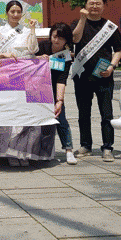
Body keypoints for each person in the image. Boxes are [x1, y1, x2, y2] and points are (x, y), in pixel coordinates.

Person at [0, 0, 54, 166]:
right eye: (12, 11)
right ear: (7, 13)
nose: (15, 14)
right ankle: (9, 152)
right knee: (10, 114)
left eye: (18, 11)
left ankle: (23, 151)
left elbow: (33, 50)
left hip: (26, 77)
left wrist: (33, 30)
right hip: (6, 77)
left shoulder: (26, 30)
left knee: (24, 114)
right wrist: (1, 55)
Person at [71, 0, 121, 162]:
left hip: (104, 77)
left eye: (98, 3)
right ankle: (85, 146)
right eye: (91, 3)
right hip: (82, 77)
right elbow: (75, 39)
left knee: (107, 114)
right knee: (83, 114)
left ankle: (107, 148)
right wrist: (82, 19)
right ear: (85, 5)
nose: (94, 6)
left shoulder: (110, 27)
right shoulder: (77, 23)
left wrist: (112, 66)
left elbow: (118, 50)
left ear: (103, 6)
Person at [36, 22, 77, 165]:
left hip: (54, 89)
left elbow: (62, 79)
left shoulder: (65, 56)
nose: (57, 40)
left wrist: (59, 101)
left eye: (61, 38)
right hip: (37, 88)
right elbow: (28, 60)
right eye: (54, 36)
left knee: (60, 118)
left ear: (67, 40)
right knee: (40, 121)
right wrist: (38, 58)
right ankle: (43, 151)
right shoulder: (42, 46)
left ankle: (69, 150)